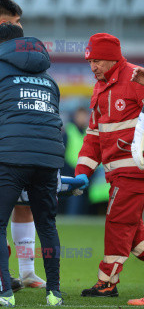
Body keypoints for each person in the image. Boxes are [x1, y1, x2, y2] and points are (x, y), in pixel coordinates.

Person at [0, 23, 64, 306]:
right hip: (49, 160)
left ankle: (4, 294)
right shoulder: (48, 79)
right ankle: (54, 293)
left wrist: (2, 141)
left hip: (10, 159)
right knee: (47, 224)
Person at [75, 33, 144, 298]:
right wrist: (82, 172)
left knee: (117, 223)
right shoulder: (100, 87)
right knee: (135, 236)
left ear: (113, 57)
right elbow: (93, 136)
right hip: (116, 174)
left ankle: (107, 281)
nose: (93, 67)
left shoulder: (136, 77)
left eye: (98, 61)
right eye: (90, 61)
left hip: (134, 171)